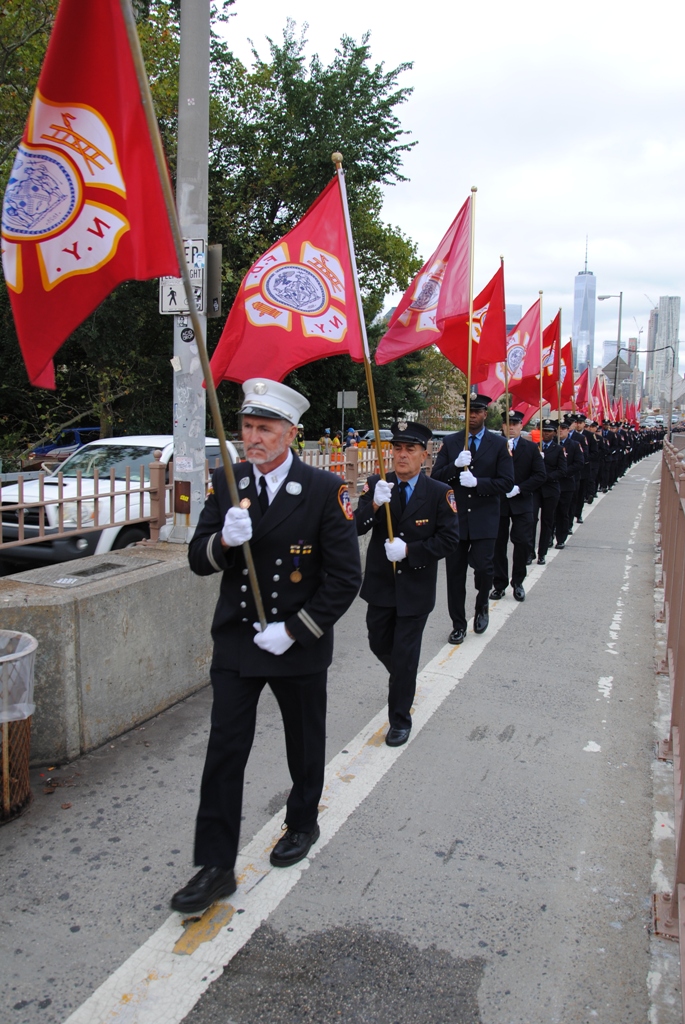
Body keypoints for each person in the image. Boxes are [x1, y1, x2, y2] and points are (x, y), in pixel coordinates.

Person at [171, 379, 362, 915]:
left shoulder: (325, 489)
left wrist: (296, 629)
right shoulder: (226, 482)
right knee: (225, 750)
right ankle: (215, 866)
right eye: (247, 428)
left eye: (265, 429)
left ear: (290, 433)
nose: (252, 438)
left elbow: (345, 577)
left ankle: (301, 821)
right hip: (238, 639)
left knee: (303, 742)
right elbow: (197, 560)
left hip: (296, 642)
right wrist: (224, 541)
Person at [355, 421, 460, 746]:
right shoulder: (377, 483)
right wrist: (373, 504)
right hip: (381, 587)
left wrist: (410, 550)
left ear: (423, 454)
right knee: (378, 642)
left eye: (409, 449)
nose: (401, 455)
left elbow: (449, 540)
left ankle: (400, 719)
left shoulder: (440, 493)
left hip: (415, 588)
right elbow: (354, 527)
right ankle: (404, 678)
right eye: (396, 449)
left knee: (404, 655)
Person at [432, 393, 514, 644]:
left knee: (483, 568)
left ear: (485, 414)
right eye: (467, 411)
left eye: (476, 411)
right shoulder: (453, 442)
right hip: (455, 519)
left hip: (485, 518)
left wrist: (479, 483)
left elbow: (507, 482)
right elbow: (436, 478)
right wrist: (455, 466)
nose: (472, 416)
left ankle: (481, 606)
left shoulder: (499, 444)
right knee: (455, 575)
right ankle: (458, 623)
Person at [491, 410, 546, 602]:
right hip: (499, 501)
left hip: (522, 502)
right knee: (498, 545)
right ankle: (499, 584)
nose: (511, 427)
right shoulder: (494, 446)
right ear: (503, 426)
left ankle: (518, 581)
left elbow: (540, 475)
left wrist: (520, 488)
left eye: (515, 423)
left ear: (521, 426)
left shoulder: (531, 448)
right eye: (508, 423)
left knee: (522, 542)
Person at [531, 418, 567, 564]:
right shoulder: (535, 447)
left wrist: (545, 477)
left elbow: (562, 471)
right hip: (536, 489)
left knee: (547, 521)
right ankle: (529, 552)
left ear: (554, 433)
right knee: (531, 520)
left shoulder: (558, 449)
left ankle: (542, 553)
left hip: (551, 489)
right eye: (544, 430)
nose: (546, 433)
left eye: (549, 431)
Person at [555, 418, 584, 549]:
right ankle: (549, 536)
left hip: (566, 483)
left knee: (563, 512)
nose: (560, 431)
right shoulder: (551, 445)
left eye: (563, 429)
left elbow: (579, 463)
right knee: (550, 513)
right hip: (552, 483)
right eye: (558, 429)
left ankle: (561, 537)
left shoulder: (574, 445)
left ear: (568, 430)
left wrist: (564, 472)